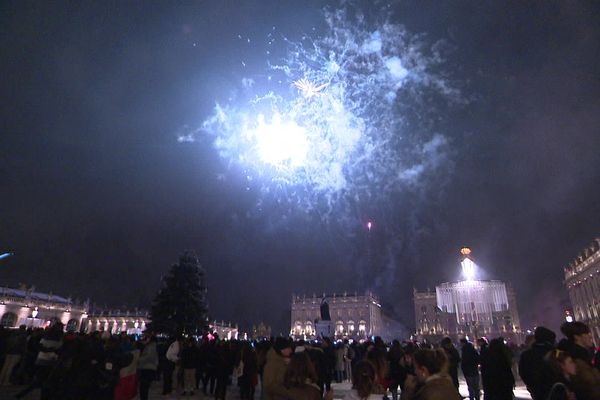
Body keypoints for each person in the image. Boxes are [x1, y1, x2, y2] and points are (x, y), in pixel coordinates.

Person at [557, 321, 600, 400]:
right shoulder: (576, 357)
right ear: (577, 337)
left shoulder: (581, 353)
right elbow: (588, 385)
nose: (590, 336)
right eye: (586, 333)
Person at [518, 326, 556, 400]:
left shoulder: (526, 354)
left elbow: (522, 372)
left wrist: (530, 385)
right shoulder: (555, 352)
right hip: (554, 388)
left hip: (536, 390)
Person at [137, 332, 159, 400]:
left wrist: (138, 360)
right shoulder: (151, 346)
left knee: (144, 387)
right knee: (144, 387)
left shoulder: (151, 347)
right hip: (149, 367)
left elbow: (148, 357)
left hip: (147, 368)